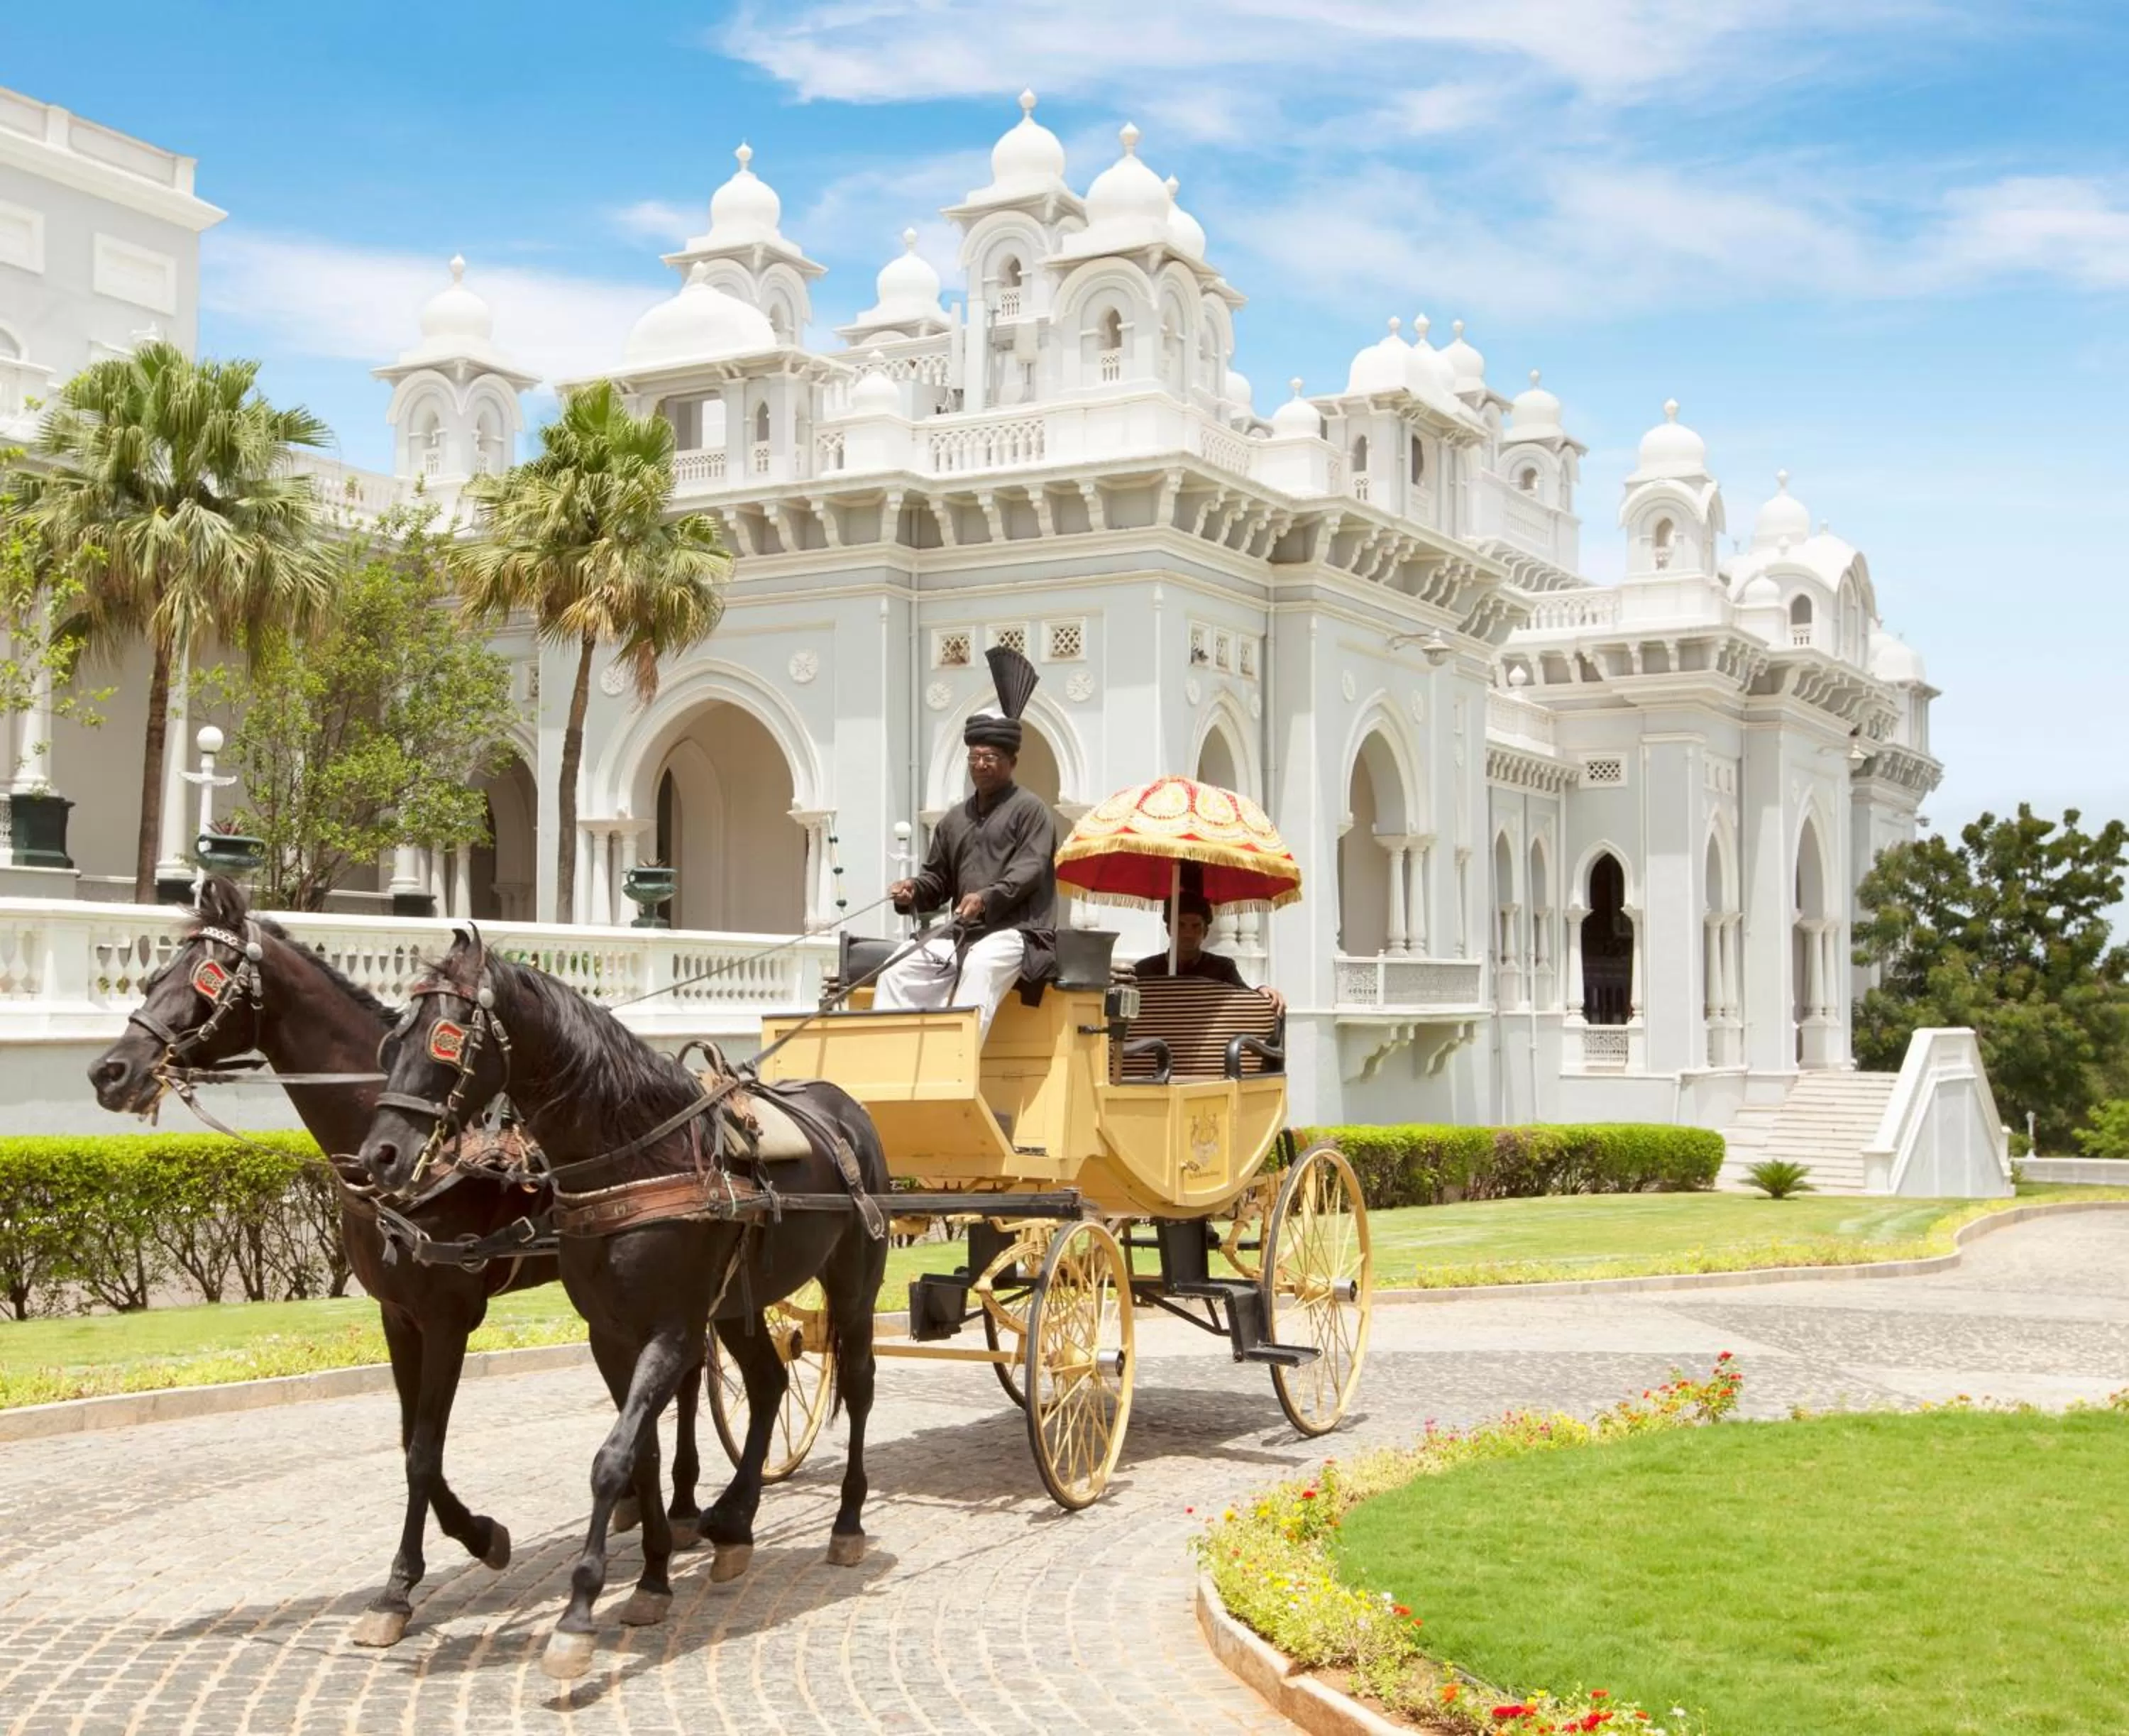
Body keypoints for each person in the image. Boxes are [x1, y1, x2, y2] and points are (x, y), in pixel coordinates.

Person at [876, 647, 1056, 1039]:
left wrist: (986, 898)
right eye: (974, 757)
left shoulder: (1031, 810)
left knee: (979, 965)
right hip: (962, 932)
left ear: (1012, 762)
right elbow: (936, 881)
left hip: (1018, 933)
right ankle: (890, 1057)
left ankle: (956, 1063)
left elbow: (1029, 870)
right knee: (897, 969)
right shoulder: (954, 819)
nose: (980, 765)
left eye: (990, 757)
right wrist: (912, 890)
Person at [1134, 891, 1287, 1015]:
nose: (1188, 934)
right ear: (1169, 930)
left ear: (1205, 932)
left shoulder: (1222, 968)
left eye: (1196, 926)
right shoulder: (1144, 970)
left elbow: (1245, 997)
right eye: (1181, 925)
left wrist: (1263, 991)